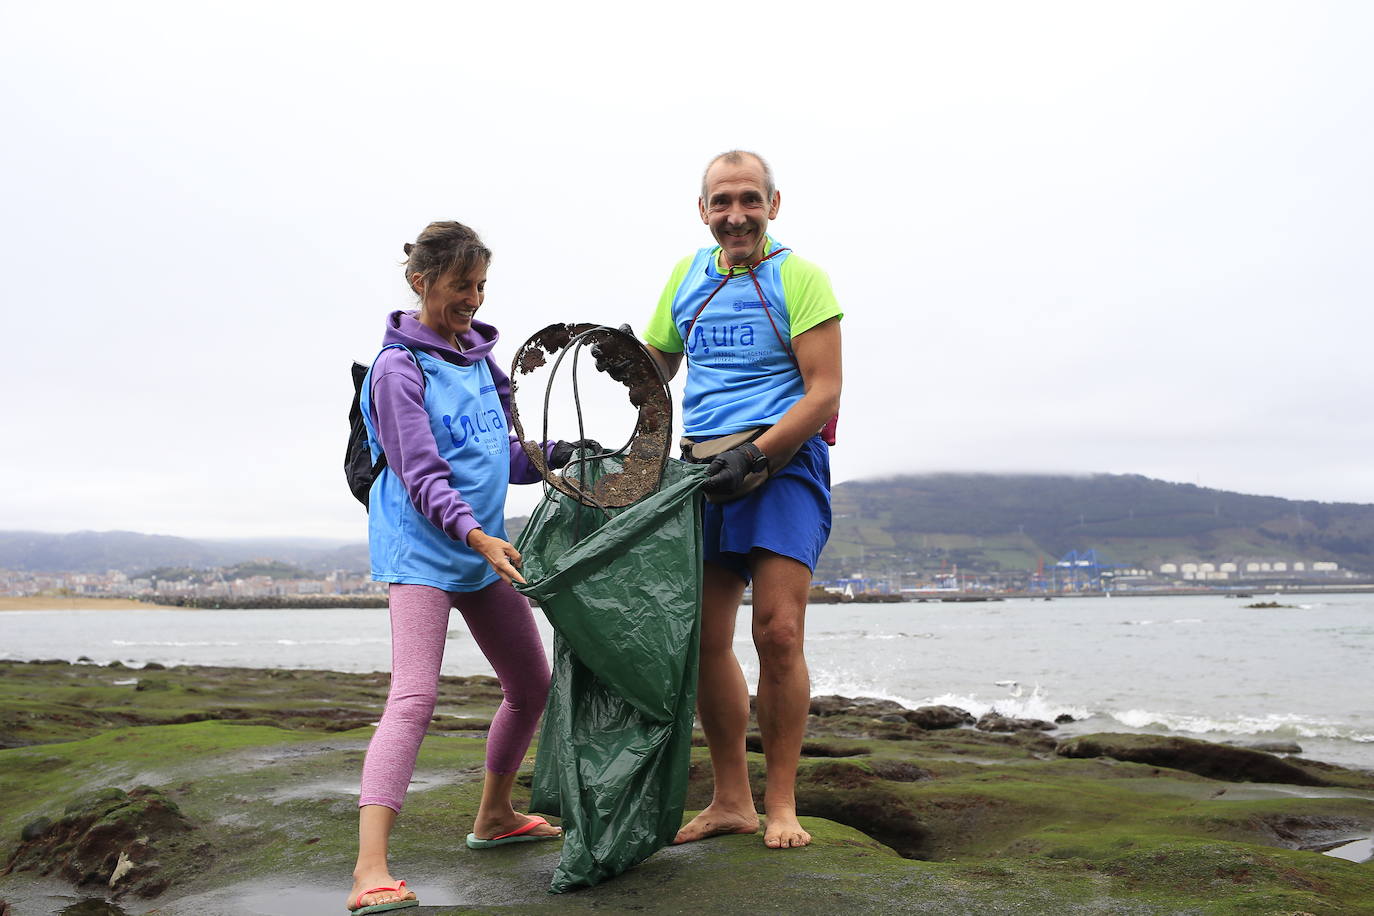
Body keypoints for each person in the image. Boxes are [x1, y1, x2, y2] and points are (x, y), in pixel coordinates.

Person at [347, 221, 584, 913]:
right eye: (460, 286)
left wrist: (558, 454)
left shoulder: (481, 360)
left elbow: (499, 458)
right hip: (422, 551)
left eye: (480, 285)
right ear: (421, 283)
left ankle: (494, 816)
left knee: (531, 684)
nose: (473, 299)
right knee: (415, 697)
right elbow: (423, 476)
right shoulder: (399, 368)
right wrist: (478, 538)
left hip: (482, 548)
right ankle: (369, 871)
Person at [614, 151, 843, 849]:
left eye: (749, 200)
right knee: (704, 639)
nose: (735, 214)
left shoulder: (799, 276)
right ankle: (730, 801)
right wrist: (628, 360)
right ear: (704, 210)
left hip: (783, 464)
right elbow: (660, 366)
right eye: (721, 202)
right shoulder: (686, 277)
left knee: (777, 631)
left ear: (774, 206)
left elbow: (825, 389)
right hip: (703, 471)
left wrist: (759, 453)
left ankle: (781, 804)